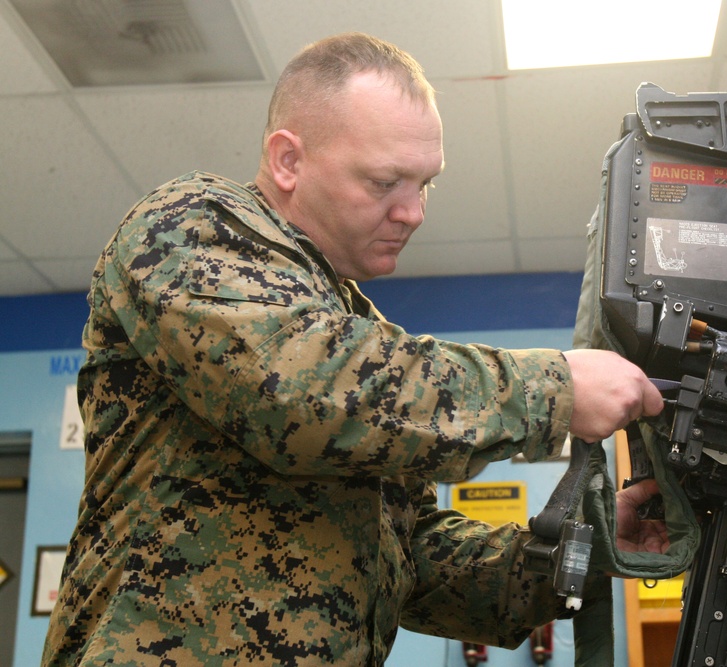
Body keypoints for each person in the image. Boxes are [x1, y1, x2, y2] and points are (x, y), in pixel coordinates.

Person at [42, 32, 666, 666]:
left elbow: (408, 553)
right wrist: (553, 389)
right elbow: (297, 389)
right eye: (385, 181)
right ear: (288, 160)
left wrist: (581, 550)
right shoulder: (191, 226)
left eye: (425, 184)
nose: (415, 212)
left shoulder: (351, 324)